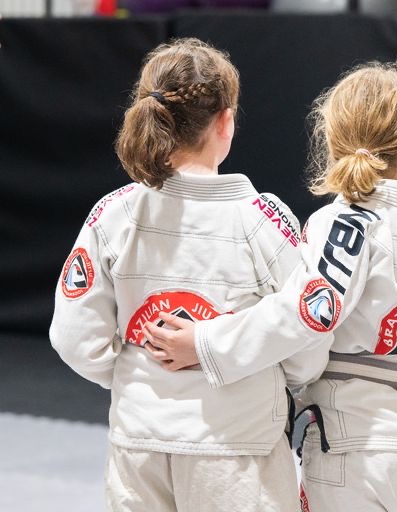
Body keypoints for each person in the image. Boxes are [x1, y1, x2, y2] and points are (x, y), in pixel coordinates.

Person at [143, 60, 397, 512]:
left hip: (355, 436)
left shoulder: (349, 223)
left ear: (334, 144)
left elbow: (305, 314)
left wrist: (206, 343)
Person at [49, 37, 303, 512]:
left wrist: (138, 379)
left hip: (139, 440)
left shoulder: (114, 214)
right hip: (238, 442)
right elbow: (307, 339)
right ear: (226, 121)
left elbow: (75, 337)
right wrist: (252, 367)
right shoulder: (264, 220)